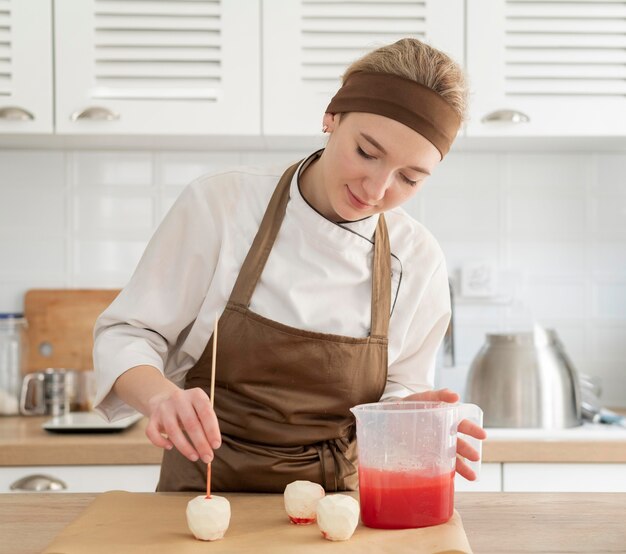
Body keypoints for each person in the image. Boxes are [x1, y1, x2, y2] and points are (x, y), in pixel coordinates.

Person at [93, 37, 487, 493]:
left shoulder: (418, 259)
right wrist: (161, 396)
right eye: (366, 152)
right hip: (201, 490)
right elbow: (128, 333)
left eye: (409, 178)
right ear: (331, 118)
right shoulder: (222, 205)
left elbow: (400, 387)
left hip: (338, 507)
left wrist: (408, 421)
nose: (377, 189)